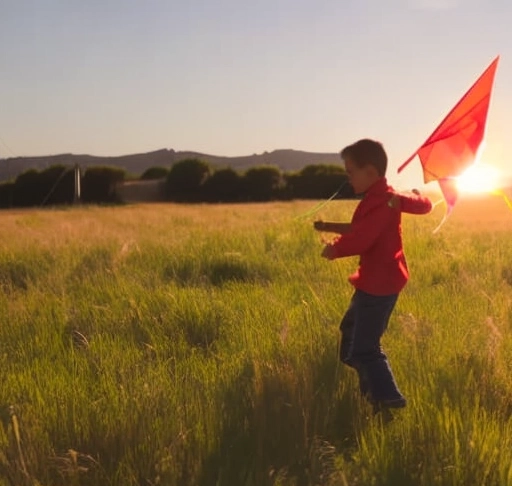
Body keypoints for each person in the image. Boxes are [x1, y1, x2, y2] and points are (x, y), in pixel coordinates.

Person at [313, 138, 432, 413]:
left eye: (350, 171)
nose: (348, 177)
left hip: (379, 285)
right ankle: (368, 380)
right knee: (352, 333)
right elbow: (359, 228)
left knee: (365, 348)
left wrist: (335, 249)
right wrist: (328, 226)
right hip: (375, 282)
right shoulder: (381, 198)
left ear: (370, 172)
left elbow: (362, 238)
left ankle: (386, 400)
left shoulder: (382, 201)